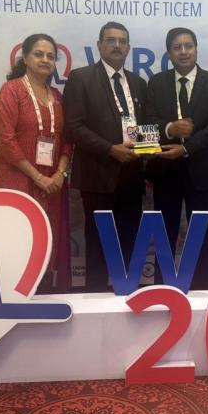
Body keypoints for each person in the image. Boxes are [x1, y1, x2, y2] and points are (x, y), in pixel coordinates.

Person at [63, 22, 147, 292]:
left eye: (122, 41)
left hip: (132, 176)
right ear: (99, 45)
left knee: (130, 242)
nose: (117, 46)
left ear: (129, 48)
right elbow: (74, 128)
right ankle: (95, 298)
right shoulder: (81, 78)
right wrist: (111, 149)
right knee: (97, 243)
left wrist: (145, 150)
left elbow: (142, 127)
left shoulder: (138, 83)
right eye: (111, 40)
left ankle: (128, 296)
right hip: (97, 175)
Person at [145, 27, 208, 289]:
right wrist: (170, 128)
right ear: (169, 52)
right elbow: (147, 123)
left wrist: (186, 148)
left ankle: (201, 291)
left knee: (200, 235)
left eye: (188, 46)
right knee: (164, 233)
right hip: (165, 171)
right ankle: (162, 291)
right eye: (177, 47)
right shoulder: (156, 83)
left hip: (203, 171)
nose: (183, 52)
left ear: (196, 49)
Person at [0, 33, 72, 293]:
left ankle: (44, 298)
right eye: (38, 54)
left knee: (46, 243)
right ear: (25, 58)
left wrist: (60, 173)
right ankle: (12, 301)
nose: (45, 60)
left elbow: (67, 139)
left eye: (50, 56)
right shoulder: (11, 91)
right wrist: (37, 177)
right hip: (18, 179)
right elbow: (4, 140)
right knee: (18, 242)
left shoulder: (57, 97)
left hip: (52, 185)